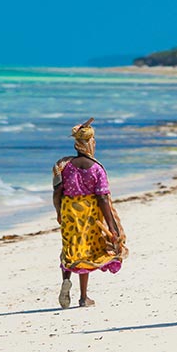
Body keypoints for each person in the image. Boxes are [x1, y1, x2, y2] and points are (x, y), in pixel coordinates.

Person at [52, 118, 126, 308]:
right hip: (90, 214)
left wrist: (59, 212)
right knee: (85, 251)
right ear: (91, 143)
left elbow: (57, 192)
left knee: (70, 247)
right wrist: (111, 225)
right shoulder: (97, 168)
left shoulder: (63, 165)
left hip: (69, 211)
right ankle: (84, 297)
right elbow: (102, 198)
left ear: (76, 143)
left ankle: (66, 279)